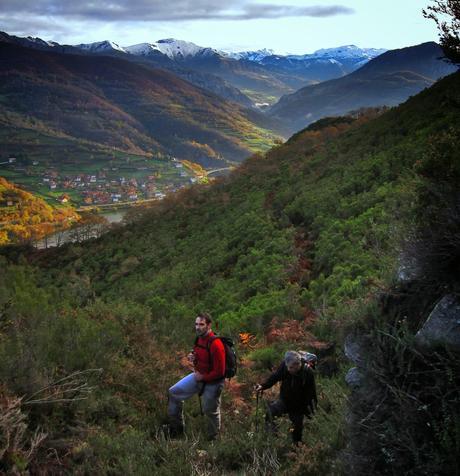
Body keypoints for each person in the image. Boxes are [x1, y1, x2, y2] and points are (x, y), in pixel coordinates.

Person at [167, 312, 226, 440]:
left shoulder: (217, 345)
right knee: (173, 392)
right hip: (198, 376)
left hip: (213, 382)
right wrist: (193, 356)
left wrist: (203, 378)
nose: (198, 327)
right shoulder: (199, 338)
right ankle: (176, 430)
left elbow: (220, 372)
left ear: (209, 325)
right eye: (196, 324)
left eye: (201, 324)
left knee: (210, 411)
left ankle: (213, 440)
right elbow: (199, 353)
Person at [255, 350, 317, 444]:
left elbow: (311, 394)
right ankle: (271, 441)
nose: (288, 369)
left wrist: (311, 413)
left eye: (291, 367)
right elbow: (275, 377)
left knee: (297, 432)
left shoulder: (307, 373)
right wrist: (263, 386)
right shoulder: (285, 365)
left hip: (298, 407)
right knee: (270, 412)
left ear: (298, 364)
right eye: (287, 367)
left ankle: (296, 450)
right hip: (284, 400)